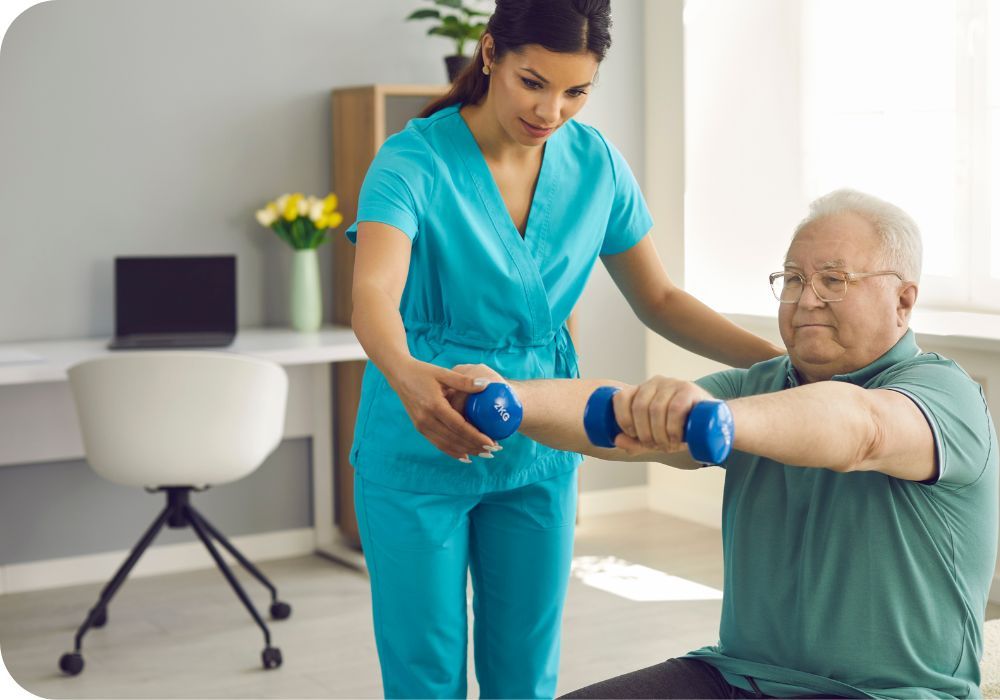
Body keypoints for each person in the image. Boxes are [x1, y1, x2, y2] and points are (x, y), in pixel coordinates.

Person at [347, 0, 782, 696]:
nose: (551, 110)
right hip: (421, 434)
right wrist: (405, 377)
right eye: (533, 81)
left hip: (544, 434)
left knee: (525, 669)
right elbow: (373, 296)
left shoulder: (595, 164)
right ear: (490, 55)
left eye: (576, 91)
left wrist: (777, 368)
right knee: (424, 672)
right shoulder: (413, 161)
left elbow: (661, 299)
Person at [452, 189, 999, 699]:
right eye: (792, 279)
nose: (806, 299)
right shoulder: (760, 384)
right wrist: (513, 399)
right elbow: (624, 423)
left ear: (903, 301)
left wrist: (716, 420)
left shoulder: (943, 394)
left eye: (834, 280)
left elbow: (860, 429)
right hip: (738, 677)